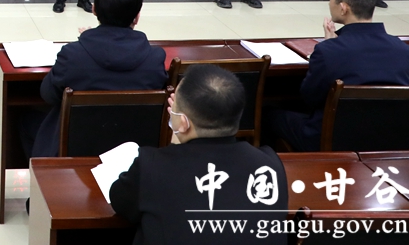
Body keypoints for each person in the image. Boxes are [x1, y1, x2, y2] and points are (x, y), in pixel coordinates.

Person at [110, 65, 287, 244]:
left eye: (175, 107)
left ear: (184, 122)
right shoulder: (270, 164)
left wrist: (177, 138)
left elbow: (121, 202)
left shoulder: (150, 166)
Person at [265, 0, 409, 152]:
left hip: (330, 139)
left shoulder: (328, 52)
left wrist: (329, 47)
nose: (329, 4)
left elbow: (309, 98)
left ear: (343, 8)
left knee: (268, 113)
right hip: (389, 142)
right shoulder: (407, 52)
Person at [24, 0, 167, 159]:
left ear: (94, 9)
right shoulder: (155, 59)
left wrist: (90, 41)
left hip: (76, 151)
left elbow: (48, 95)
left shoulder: (73, 55)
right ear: (137, 17)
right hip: (135, 153)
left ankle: (43, 176)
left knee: (25, 120)